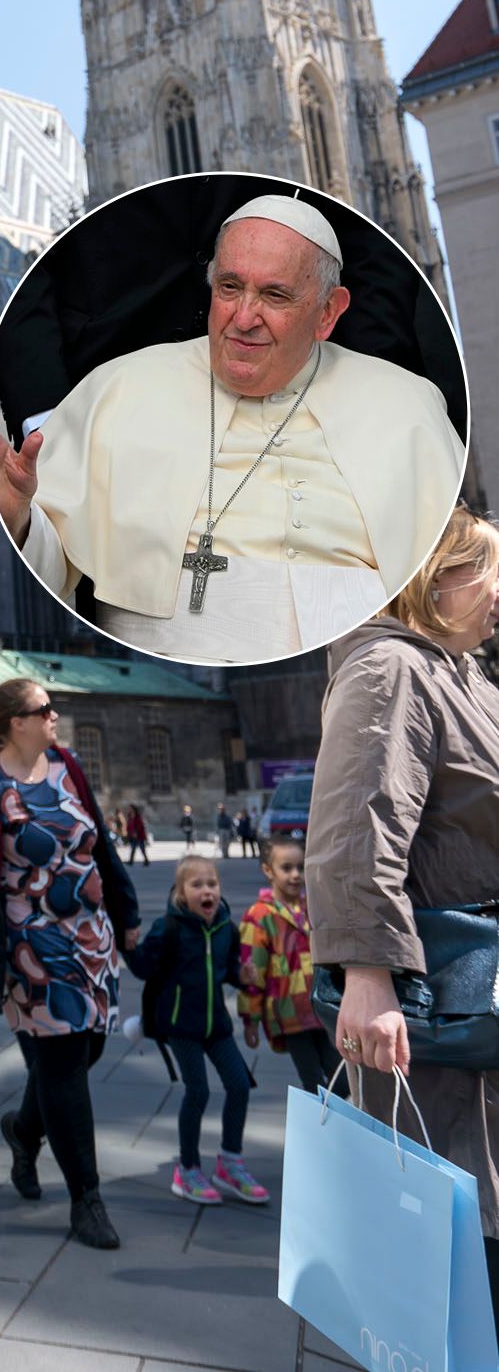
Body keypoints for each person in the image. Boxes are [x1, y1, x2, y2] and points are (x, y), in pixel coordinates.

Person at [0, 194, 465, 664]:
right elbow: (53, 561)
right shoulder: (119, 386)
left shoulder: (406, 403)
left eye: (275, 295)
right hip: (171, 650)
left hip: (366, 653)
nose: (243, 318)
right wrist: (17, 517)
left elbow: (446, 566)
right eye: (230, 288)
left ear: (328, 313)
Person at [306, 505, 499, 1332]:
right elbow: (356, 826)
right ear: (433, 575)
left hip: (474, 1000)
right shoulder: (390, 668)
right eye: (488, 569)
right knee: (442, 1268)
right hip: (436, 1011)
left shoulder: (463, 672)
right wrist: (366, 974)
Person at [0, 676, 139, 1251]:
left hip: (90, 939)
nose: (56, 716)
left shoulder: (67, 766)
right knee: (62, 1066)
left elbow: (100, 841)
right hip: (32, 946)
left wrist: (124, 912)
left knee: (85, 1052)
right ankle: (87, 1199)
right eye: (44, 709)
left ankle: (24, 1132)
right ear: (15, 723)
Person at [127, 856, 268, 1205]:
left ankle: (230, 1162)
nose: (206, 891)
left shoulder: (225, 928)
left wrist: (243, 976)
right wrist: (129, 945)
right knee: (199, 1091)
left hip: (216, 1024)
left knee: (239, 1085)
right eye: (196, 885)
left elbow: (228, 969)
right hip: (180, 1026)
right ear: (180, 892)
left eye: (212, 884)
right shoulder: (168, 927)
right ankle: (188, 1168)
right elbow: (144, 967)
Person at [237, 833, 337, 1094]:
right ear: (268, 871)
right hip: (289, 1012)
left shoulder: (313, 906)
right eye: (286, 868)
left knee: (342, 1078)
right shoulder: (259, 915)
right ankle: (317, 1131)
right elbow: (252, 973)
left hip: (321, 1007)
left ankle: (328, 1128)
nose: (295, 875)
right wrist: (251, 1019)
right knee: (314, 1082)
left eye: (300, 867)